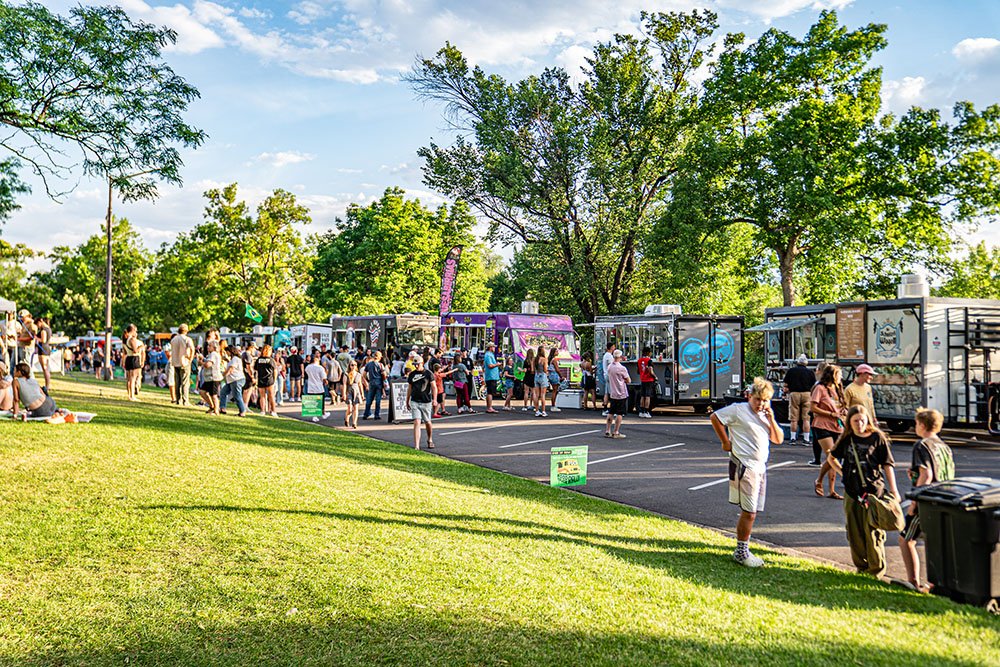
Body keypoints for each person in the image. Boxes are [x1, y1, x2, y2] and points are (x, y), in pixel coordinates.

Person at [709, 377, 784, 567]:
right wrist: (725, 442)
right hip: (745, 465)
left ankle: (743, 548)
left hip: (760, 466)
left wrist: (771, 419)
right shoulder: (738, 409)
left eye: (765, 400)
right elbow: (715, 418)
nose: (760, 404)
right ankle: (741, 551)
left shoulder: (765, 415)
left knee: (754, 510)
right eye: (757, 399)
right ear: (749, 396)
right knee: (749, 511)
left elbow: (778, 439)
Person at [828, 405, 900, 579]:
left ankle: (876, 570)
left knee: (873, 532)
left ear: (868, 420)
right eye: (855, 421)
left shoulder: (877, 437)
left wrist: (894, 490)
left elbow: (887, 464)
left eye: (862, 420)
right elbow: (831, 457)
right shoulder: (847, 438)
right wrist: (842, 472)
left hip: (874, 492)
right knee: (854, 532)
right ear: (849, 423)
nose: (860, 424)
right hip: (852, 493)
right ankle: (861, 567)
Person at [899, 408, 954, 592]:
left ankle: (913, 581)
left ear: (922, 425)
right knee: (935, 542)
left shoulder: (922, 445)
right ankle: (936, 583)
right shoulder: (944, 447)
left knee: (906, 538)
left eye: (916, 424)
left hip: (927, 499)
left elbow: (927, 474)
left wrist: (914, 503)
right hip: (945, 498)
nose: (915, 427)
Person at [810, 364, 846, 499]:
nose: (841, 377)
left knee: (833, 458)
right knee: (832, 456)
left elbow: (840, 406)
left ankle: (831, 490)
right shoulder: (819, 388)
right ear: (832, 375)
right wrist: (830, 414)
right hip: (822, 425)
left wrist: (843, 412)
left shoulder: (837, 388)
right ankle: (820, 481)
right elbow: (813, 407)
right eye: (839, 374)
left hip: (837, 426)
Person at [406, 355, 436, 449]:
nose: (416, 366)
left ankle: (429, 439)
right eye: (414, 364)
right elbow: (409, 388)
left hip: (426, 401)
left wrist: (434, 399)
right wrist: (407, 400)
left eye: (417, 364)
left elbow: (434, 387)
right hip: (415, 400)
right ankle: (417, 446)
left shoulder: (428, 373)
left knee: (427, 422)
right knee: (417, 421)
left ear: (422, 363)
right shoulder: (412, 374)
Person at [784, 354, 814, 444]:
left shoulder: (791, 371)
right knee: (806, 418)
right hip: (807, 394)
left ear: (797, 362)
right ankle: (806, 439)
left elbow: (785, 385)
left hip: (794, 394)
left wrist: (785, 392)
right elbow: (814, 386)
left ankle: (793, 438)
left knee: (794, 418)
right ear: (806, 363)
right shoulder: (810, 372)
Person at [604, 349, 630, 438]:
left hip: (613, 392)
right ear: (620, 357)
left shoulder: (610, 367)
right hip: (621, 392)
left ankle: (607, 430)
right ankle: (616, 431)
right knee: (620, 413)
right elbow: (628, 380)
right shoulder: (622, 368)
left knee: (611, 411)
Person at [169, 325, 196, 406]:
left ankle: (178, 400)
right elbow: (192, 349)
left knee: (177, 382)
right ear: (186, 331)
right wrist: (190, 358)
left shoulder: (174, 339)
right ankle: (185, 400)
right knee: (185, 382)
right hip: (184, 362)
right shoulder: (187, 339)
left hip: (175, 362)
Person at [220, 344, 247, 417]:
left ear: (230, 352)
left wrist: (222, 376)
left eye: (226, 352)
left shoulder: (235, 359)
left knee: (237, 396)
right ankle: (222, 408)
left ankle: (242, 411)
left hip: (236, 380)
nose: (226, 353)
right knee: (223, 392)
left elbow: (230, 369)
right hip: (231, 380)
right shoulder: (233, 359)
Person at [199, 340, 224, 415]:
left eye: (210, 346)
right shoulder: (211, 354)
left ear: (214, 347)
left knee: (214, 395)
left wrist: (201, 363)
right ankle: (212, 406)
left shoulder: (213, 354)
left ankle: (216, 411)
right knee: (202, 392)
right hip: (208, 378)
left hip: (214, 378)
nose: (208, 347)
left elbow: (208, 365)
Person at [122, 324, 145, 402]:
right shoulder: (132, 339)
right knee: (133, 378)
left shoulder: (126, 340)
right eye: (135, 330)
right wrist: (141, 347)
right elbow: (135, 350)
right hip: (134, 358)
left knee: (129, 379)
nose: (136, 332)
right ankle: (132, 396)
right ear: (133, 330)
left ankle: (130, 395)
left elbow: (125, 352)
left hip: (128, 358)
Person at [254, 344, 278, 417]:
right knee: (271, 396)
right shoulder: (271, 360)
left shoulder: (258, 360)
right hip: (269, 380)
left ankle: (262, 411)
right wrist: (274, 379)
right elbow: (275, 370)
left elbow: (255, 369)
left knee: (262, 396)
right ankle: (273, 411)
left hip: (261, 379)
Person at [362, 350, 387, 420]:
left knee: (369, 399)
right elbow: (384, 375)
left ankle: (366, 413)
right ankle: (377, 414)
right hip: (379, 383)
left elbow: (363, 375)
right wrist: (384, 380)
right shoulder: (381, 365)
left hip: (371, 382)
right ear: (379, 357)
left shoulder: (368, 364)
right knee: (378, 400)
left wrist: (366, 382)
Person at [342, 359, 364, 428]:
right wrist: (344, 394)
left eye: (355, 365)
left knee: (356, 407)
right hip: (349, 391)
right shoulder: (346, 374)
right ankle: (347, 418)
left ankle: (354, 423)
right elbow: (344, 384)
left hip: (356, 391)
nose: (353, 366)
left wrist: (362, 394)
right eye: (352, 365)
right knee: (350, 408)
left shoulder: (358, 374)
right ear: (349, 366)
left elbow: (360, 384)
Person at [453, 350, 475, 414]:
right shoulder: (462, 365)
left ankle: (459, 408)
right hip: (463, 381)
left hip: (457, 382)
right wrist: (469, 372)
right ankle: (470, 408)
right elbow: (467, 373)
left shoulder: (454, 366)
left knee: (459, 395)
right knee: (466, 395)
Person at [482, 342, 501, 414]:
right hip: (491, 376)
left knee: (490, 392)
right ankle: (489, 407)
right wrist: (497, 364)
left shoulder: (490, 354)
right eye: (493, 347)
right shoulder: (488, 355)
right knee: (490, 392)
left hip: (492, 376)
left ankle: (489, 407)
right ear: (490, 347)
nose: (494, 348)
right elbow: (490, 365)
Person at [636, 346, 655, 418]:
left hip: (642, 379)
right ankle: (647, 411)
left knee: (642, 396)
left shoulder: (639, 360)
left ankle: (641, 411)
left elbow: (638, 371)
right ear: (648, 353)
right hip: (649, 380)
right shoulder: (649, 361)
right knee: (648, 396)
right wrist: (655, 376)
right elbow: (651, 370)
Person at [34, 315, 53, 392]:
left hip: (43, 350)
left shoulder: (43, 330)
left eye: (37, 324)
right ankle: (48, 384)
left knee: (45, 369)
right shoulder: (49, 329)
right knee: (46, 369)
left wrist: (35, 338)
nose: (37, 326)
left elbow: (43, 340)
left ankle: (47, 385)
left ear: (40, 322)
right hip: (47, 349)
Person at [533, 345, 549, 417]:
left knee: (536, 395)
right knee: (543, 395)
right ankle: (543, 411)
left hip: (536, 376)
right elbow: (545, 369)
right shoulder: (544, 359)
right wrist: (547, 373)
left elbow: (533, 370)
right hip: (542, 376)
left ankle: (537, 411)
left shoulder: (535, 359)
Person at [601, 341, 615, 417]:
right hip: (609, 375)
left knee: (607, 392)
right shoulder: (609, 356)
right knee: (612, 392)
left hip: (606, 374)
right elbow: (611, 365)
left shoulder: (606, 355)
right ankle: (612, 409)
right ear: (611, 347)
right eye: (613, 346)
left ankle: (605, 408)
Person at [547, 347, 562, 413]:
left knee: (554, 390)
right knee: (555, 391)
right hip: (555, 375)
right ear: (554, 352)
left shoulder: (550, 359)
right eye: (556, 351)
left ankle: (553, 405)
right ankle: (553, 406)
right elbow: (557, 369)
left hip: (551, 375)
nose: (558, 352)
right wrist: (561, 376)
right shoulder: (554, 360)